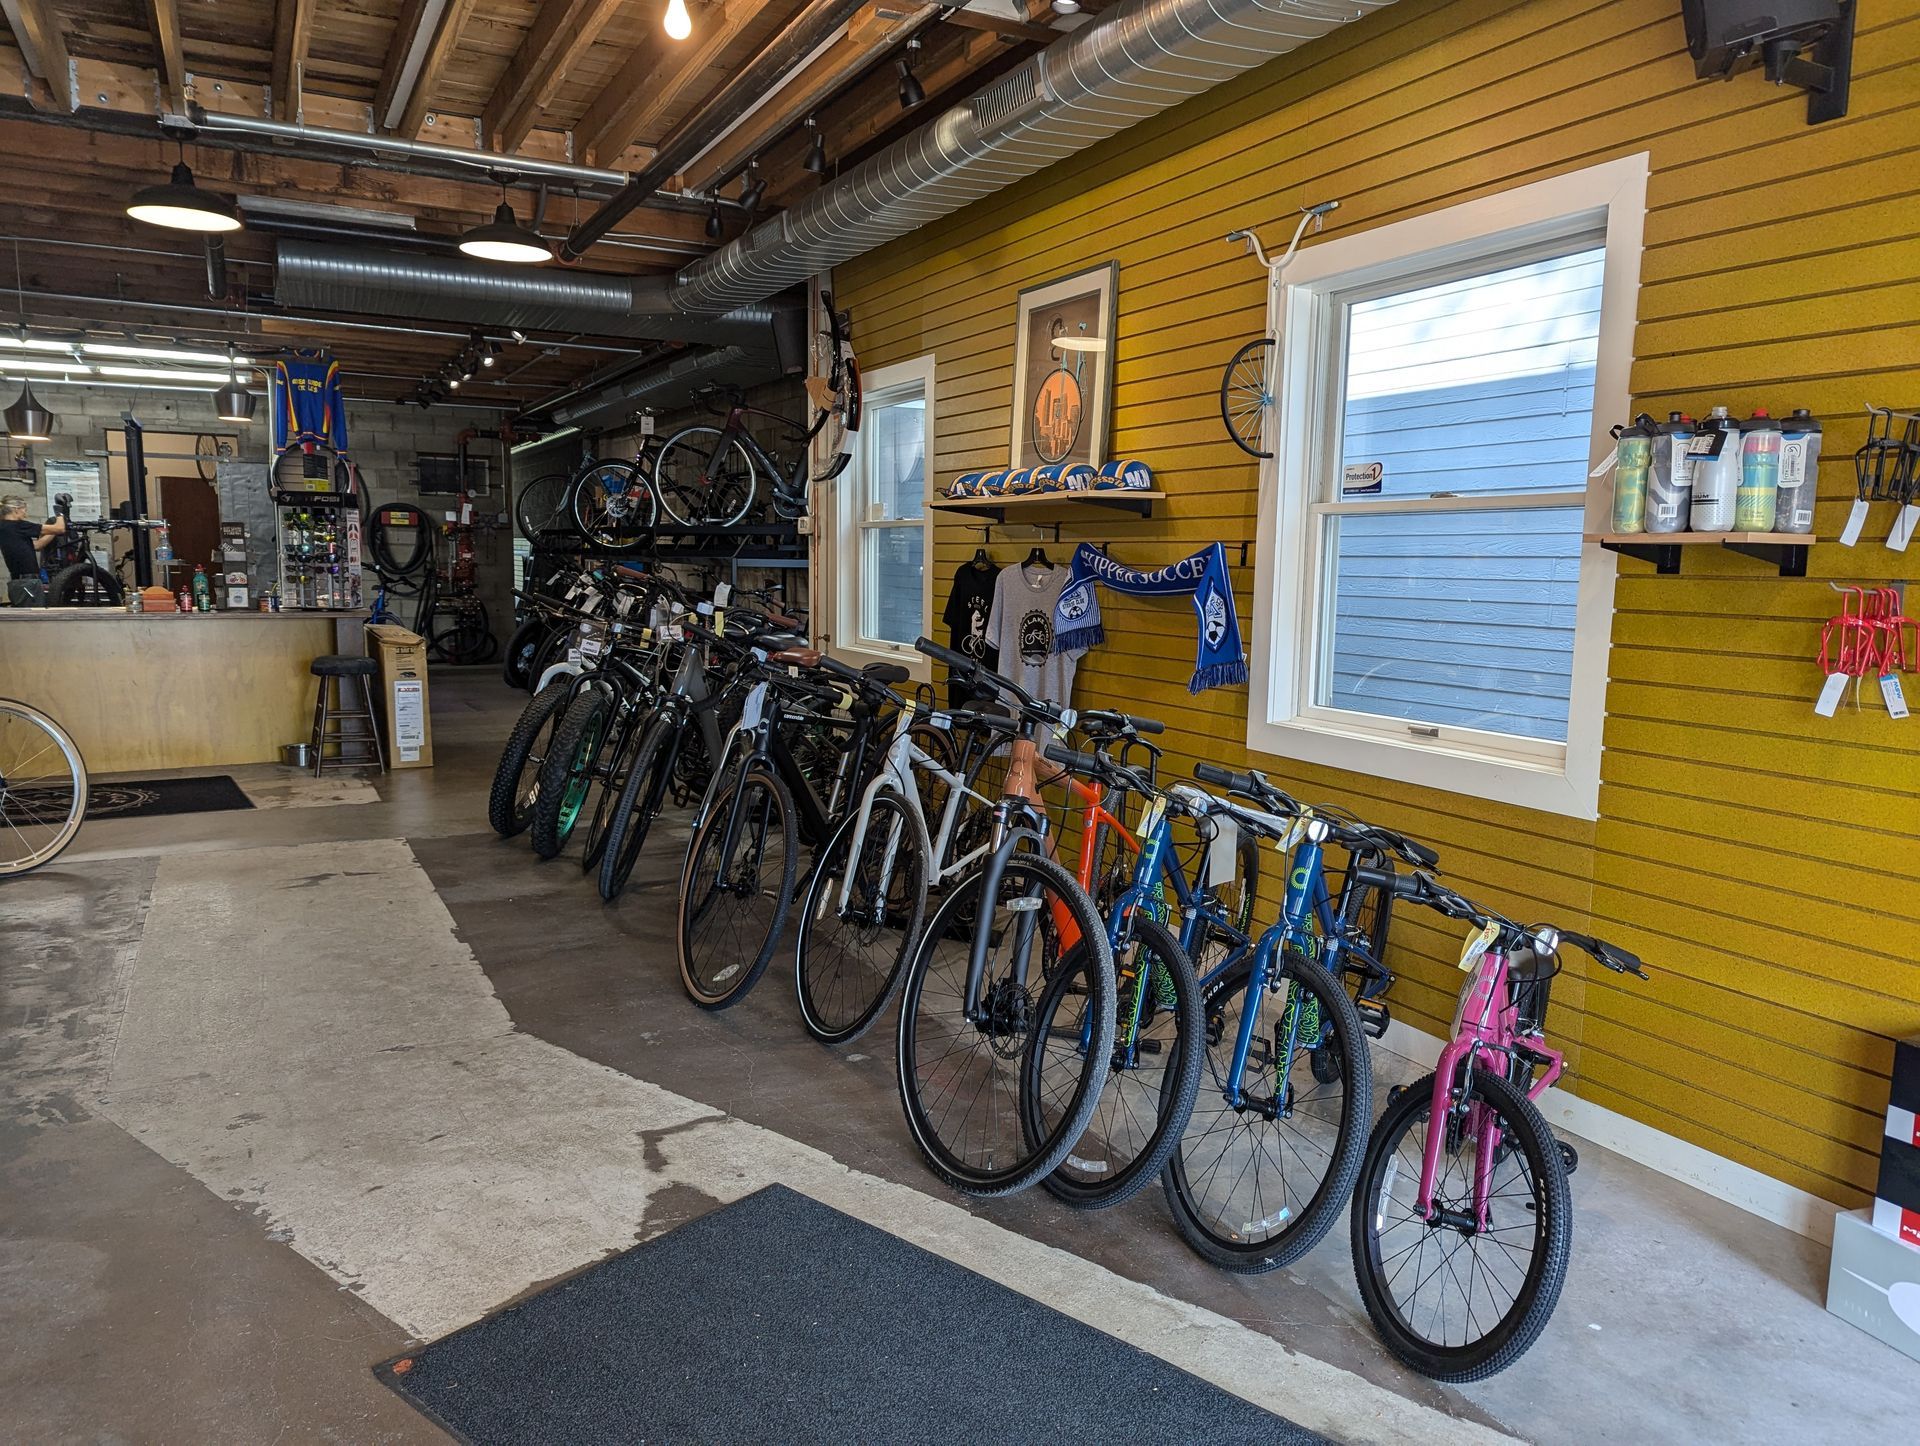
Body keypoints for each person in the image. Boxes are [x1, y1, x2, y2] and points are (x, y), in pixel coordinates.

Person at [1, 494, 64, 606]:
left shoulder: (4, 527)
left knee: (25, 619)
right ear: (16, 510)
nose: (25, 514)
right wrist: (60, 514)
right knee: (35, 620)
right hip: (28, 583)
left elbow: (37, 545)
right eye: (24, 510)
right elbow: (60, 528)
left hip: (17, 582)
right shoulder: (18, 525)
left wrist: (53, 532)